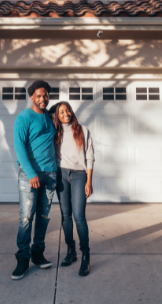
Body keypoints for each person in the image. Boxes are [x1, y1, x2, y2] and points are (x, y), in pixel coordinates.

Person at [11, 81, 59, 281]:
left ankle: (37, 253)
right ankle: (22, 258)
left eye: (46, 95)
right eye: (39, 95)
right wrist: (31, 174)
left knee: (44, 217)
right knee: (26, 217)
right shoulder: (24, 117)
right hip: (30, 174)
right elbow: (19, 147)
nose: (43, 99)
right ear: (31, 97)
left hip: (50, 174)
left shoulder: (50, 116)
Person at [51, 102, 95, 277]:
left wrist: (89, 181)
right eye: (61, 111)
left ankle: (85, 255)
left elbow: (90, 157)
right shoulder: (55, 133)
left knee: (79, 216)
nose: (66, 113)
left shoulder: (83, 130)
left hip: (79, 175)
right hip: (61, 174)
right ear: (57, 115)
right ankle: (71, 251)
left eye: (67, 109)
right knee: (65, 216)